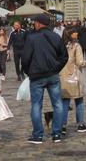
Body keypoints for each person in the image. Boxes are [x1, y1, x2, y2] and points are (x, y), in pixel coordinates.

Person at [21, 14, 69, 144]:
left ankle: (38, 135)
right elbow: (64, 56)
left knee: (36, 105)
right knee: (57, 104)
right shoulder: (56, 37)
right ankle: (57, 134)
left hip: (37, 76)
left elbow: (25, 59)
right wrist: (56, 68)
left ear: (38, 23)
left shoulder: (31, 38)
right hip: (52, 75)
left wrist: (29, 72)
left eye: (34, 23)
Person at [60, 27, 86, 134]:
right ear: (71, 34)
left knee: (64, 102)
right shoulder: (76, 46)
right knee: (79, 101)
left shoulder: (61, 46)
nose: (77, 33)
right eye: (75, 32)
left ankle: (62, 125)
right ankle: (80, 123)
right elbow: (79, 62)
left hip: (63, 77)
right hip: (75, 77)